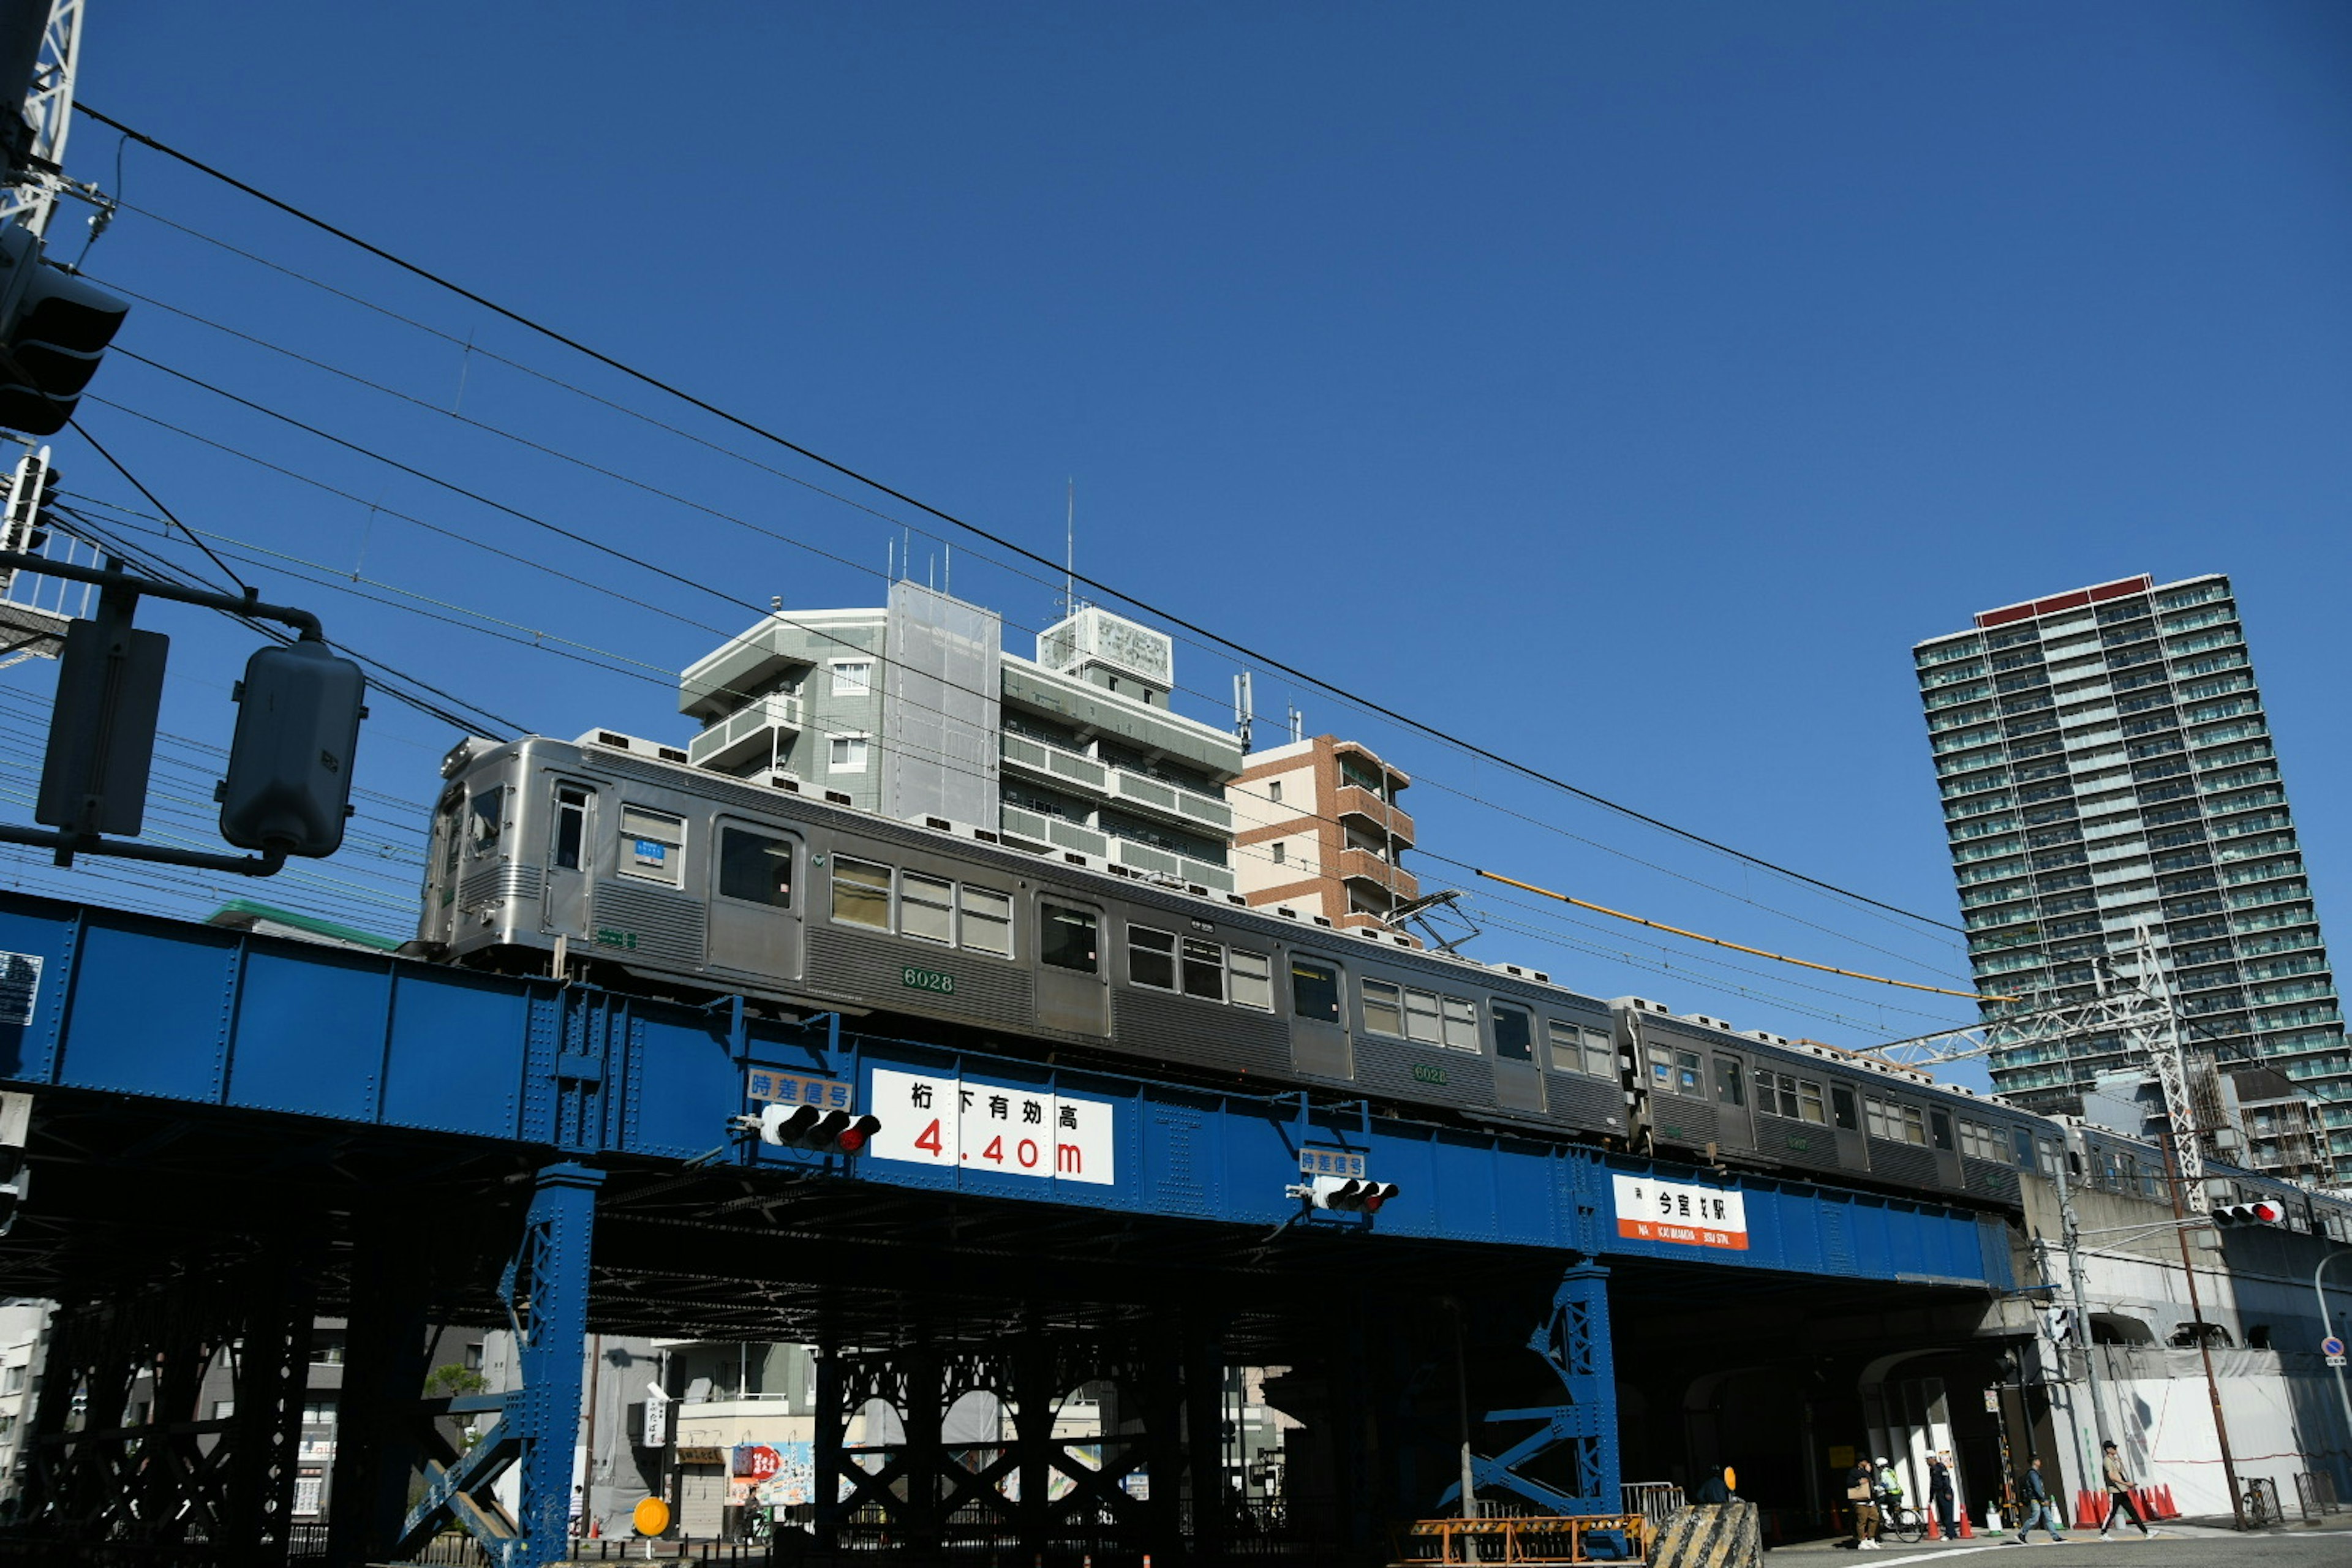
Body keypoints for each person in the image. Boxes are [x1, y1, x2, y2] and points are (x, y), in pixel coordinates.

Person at [2097, 1440, 2157, 1538]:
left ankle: (2146, 1532)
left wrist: (2120, 1463)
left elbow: (2119, 1473)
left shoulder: (2113, 1460)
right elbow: (2112, 1476)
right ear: (2108, 1450)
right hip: (2115, 1491)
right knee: (2112, 1513)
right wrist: (2126, 1483)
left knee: (2133, 1512)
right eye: (2114, 1448)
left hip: (2122, 1490)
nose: (2116, 1449)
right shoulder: (2107, 1461)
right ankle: (2103, 1533)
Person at [2011, 1457, 2065, 1544]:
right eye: (2038, 1460)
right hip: (2036, 1500)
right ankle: (2021, 1534)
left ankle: (2055, 1536)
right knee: (2035, 1519)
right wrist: (2043, 1499)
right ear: (2035, 1462)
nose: (2040, 1462)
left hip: (2039, 1499)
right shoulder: (2033, 1474)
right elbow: (2037, 1488)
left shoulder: (2034, 1474)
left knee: (2048, 1518)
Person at [1846, 1452, 1882, 1550]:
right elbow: (1849, 1483)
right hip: (1860, 1501)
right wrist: (1858, 1482)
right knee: (1862, 1521)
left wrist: (1868, 1472)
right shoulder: (1854, 1472)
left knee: (1875, 1518)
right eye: (1865, 1461)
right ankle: (1862, 1541)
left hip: (1869, 1500)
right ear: (1860, 1462)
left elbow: (1869, 1482)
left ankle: (1871, 1539)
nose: (1867, 1463)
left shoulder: (1865, 1471)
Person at [1928, 1452, 1957, 1538]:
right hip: (1938, 1493)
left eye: (1927, 1459)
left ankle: (1949, 1534)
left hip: (1945, 1492)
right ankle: (1951, 1532)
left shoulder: (1941, 1467)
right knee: (1943, 1514)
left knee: (1948, 1513)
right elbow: (1933, 1484)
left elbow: (1946, 1480)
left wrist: (1947, 1492)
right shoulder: (1932, 1469)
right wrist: (1931, 1497)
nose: (1927, 1462)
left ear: (1932, 1459)